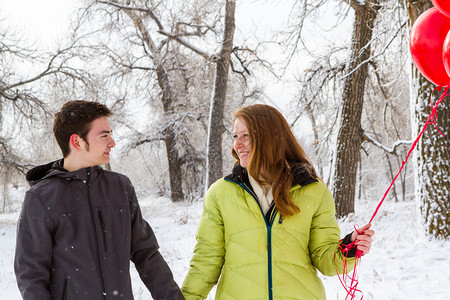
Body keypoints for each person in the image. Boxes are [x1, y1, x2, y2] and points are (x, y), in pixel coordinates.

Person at [181, 104, 374, 299]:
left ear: (269, 138)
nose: (237, 145)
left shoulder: (313, 191)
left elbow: (324, 257)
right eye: (235, 136)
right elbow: (206, 263)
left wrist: (348, 248)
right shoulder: (221, 194)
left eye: (245, 136)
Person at [14, 100, 184, 300]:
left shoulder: (120, 188)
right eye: (104, 136)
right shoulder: (41, 198)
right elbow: (31, 276)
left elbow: (147, 255)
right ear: (77, 142)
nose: (112, 143)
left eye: (111, 135)